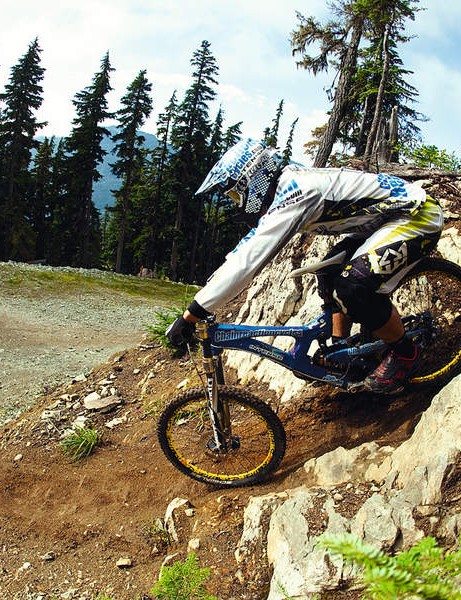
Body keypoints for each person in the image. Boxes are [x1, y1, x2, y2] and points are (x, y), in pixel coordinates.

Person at [166, 138, 444, 394]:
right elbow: (242, 250)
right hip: (383, 220)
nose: (238, 204)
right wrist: (202, 298)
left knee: (352, 286)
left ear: (256, 180)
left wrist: (194, 312)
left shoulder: (296, 193)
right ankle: (341, 350)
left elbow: (249, 259)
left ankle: (405, 352)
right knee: (329, 274)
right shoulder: (289, 185)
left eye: (237, 196)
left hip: (416, 216)